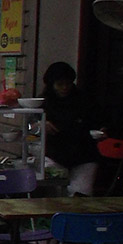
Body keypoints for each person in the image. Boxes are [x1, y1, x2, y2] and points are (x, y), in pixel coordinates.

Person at [41, 61, 102, 196]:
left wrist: (100, 131)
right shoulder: (43, 102)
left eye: (68, 84)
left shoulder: (84, 100)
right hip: (54, 154)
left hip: (84, 155)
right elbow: (31, 124)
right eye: (60, 84)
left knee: (80, 194)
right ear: (52, 84)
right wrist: (40, 125)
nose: (64, 88)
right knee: (55, 195)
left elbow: (97, 121)